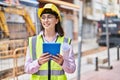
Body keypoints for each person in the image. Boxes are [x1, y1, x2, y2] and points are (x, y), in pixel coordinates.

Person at [24, 3, 76, 80]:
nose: (46, 20)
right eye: (43, 17)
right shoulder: (33, 41)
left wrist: (62, 62)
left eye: (49, 17)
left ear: (57, 20)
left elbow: (72, 69)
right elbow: (27, 69)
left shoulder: (65, 42)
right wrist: (38, 62)